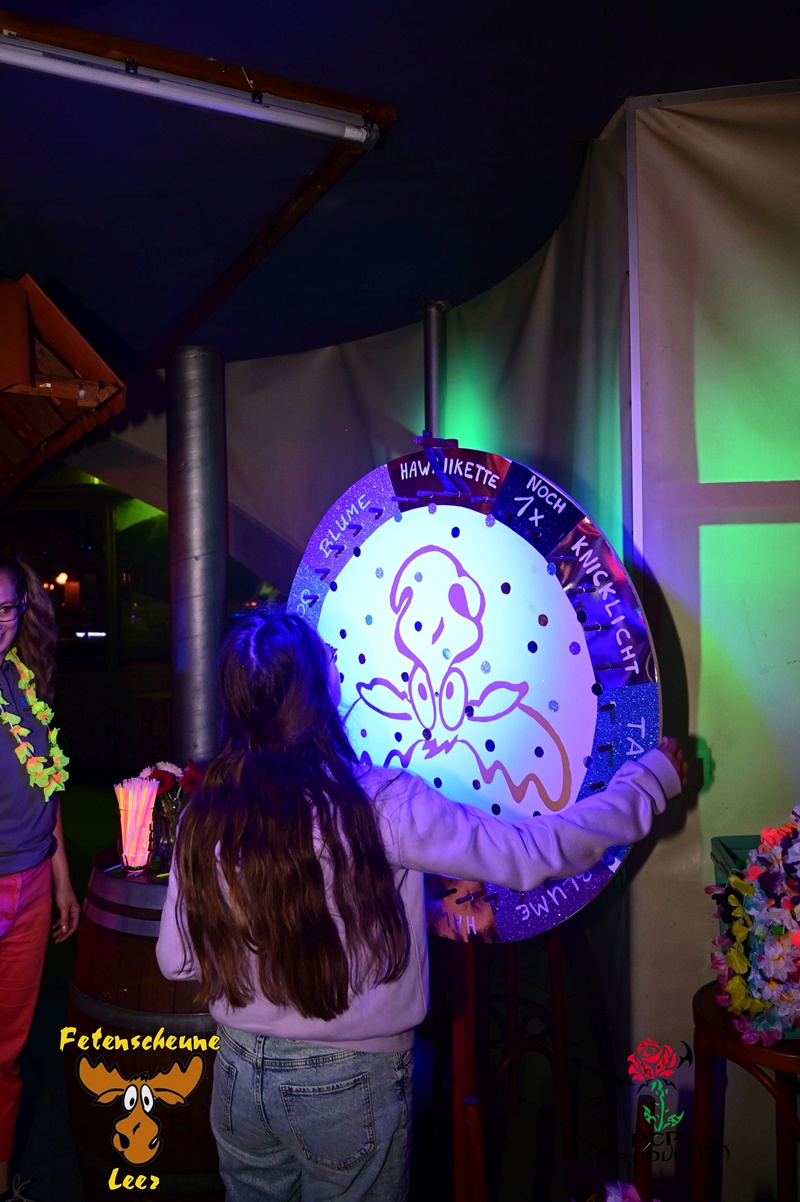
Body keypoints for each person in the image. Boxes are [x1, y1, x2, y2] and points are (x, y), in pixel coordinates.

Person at [156, 611, 687, 1202]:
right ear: (316, 693)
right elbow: (531, 852)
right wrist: (647, 784)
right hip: (348, 1081)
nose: (339, 665)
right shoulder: (382, 803)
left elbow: (176, 960)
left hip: (237, 1075)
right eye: (328, 658)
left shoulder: (205, 816)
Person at [0, 554, 80, 1202]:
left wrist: (62, 879)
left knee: (7, 1050)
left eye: (3, 607)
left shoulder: (21, 680)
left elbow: (46, 785)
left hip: (31, 885)